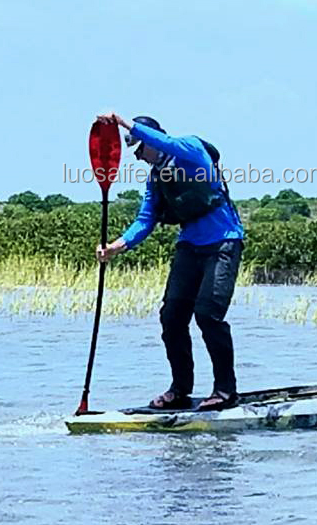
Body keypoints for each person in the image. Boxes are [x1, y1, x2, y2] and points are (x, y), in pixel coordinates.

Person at [94, 113, 245, 411]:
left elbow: (163, 141)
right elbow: (145, 219)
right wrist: (116, 247)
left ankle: (226, 391)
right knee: (172, 317)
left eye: (140, 150)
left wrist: (124, 123)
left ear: (152, 139)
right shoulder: (156, 179)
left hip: (224, 242)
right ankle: (180, 389)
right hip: (190, 246)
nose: (138, 158)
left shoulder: (189, 150)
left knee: (208, 315)